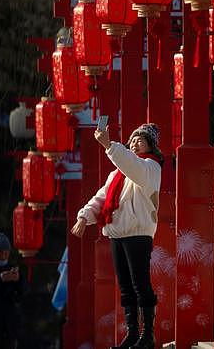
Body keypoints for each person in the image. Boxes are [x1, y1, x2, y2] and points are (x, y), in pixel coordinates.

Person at [71, 123, 163, 349]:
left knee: (141, 283)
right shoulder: (118, 173)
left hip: (138, 233)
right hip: (118, 234)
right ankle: (132, 333)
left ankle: (147, 335)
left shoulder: (150, 167)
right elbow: (101, 198)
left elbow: (133, 166)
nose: (133, 144)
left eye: (139, 141)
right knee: (125, 287)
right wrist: (84, 217)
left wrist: (109, 146)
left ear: (150, 146)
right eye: (131, 141)